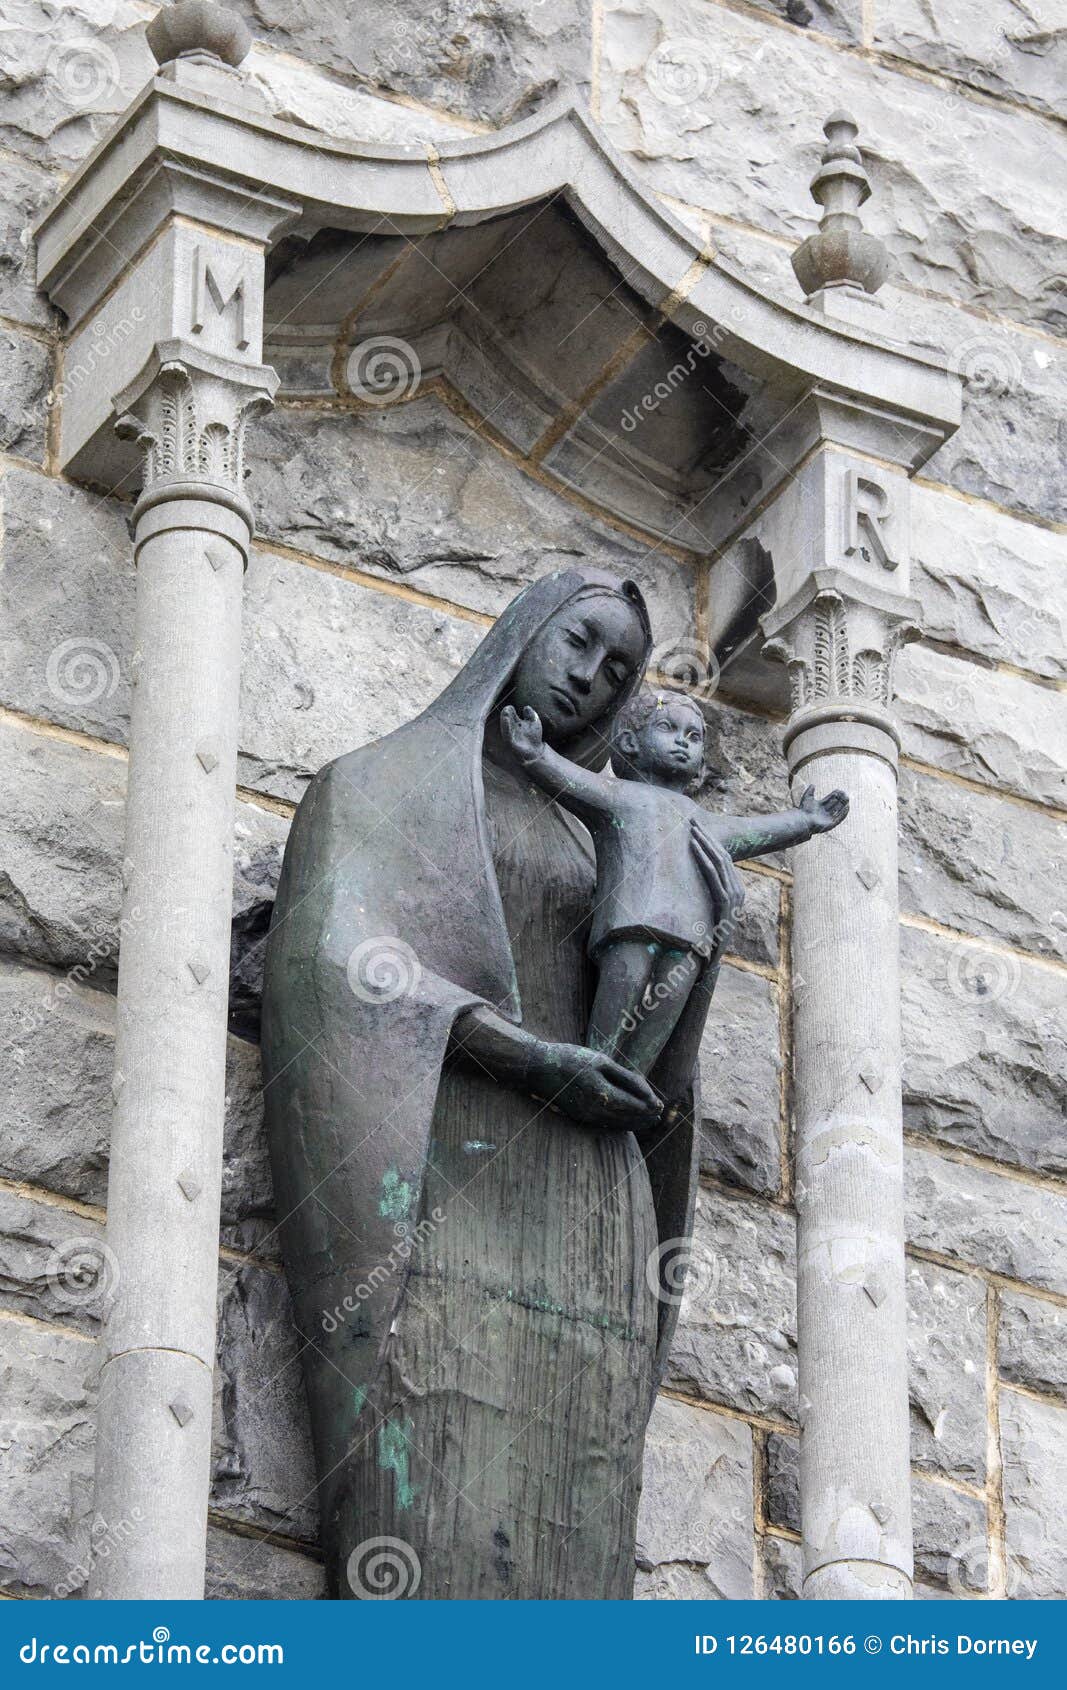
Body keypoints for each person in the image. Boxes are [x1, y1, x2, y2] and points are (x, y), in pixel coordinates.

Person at [261, 571, 746, 1599]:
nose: (589, 678)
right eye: (577, 643)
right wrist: (530, 1057)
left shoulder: (603, 824)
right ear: (521, 631)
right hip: (438, 1173)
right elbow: (334, 961)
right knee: (428, 1477)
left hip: (590, 1207)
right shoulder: (380, 785)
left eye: (617, 669)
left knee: (580, 1490)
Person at [501, 687, 848, 1074]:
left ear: (700, 763)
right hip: (630, 923)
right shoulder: (620, 796)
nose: (683, 742)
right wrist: (534, 752)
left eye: (694, 736)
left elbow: (752, 829)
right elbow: (571, 780)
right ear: (630, 742)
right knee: (626, 980)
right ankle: (598, 1064)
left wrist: (805, 822)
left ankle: (632, 1078)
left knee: (669, 999)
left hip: (688, 936)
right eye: (669, 728)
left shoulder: (702, 818)